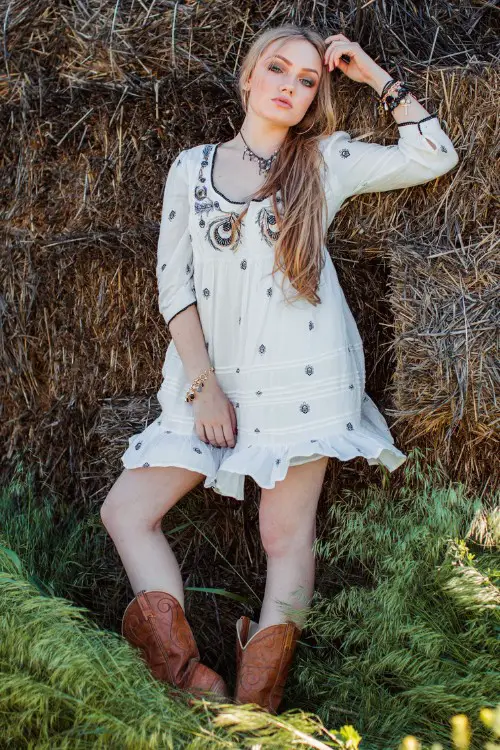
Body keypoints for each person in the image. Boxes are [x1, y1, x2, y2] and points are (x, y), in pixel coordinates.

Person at [100, 24, 459, 714]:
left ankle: (256, 703)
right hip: (213, 380)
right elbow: (173, 286)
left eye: (307, 80)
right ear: (247, 76)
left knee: (284, 535)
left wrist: (371, 73)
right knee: (127, 510)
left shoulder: (323, 160)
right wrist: (203, 386)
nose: (291, 86)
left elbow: (433, 154)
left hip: (305, 379)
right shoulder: (191, 167)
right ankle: (188, 682)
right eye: (278, 69)